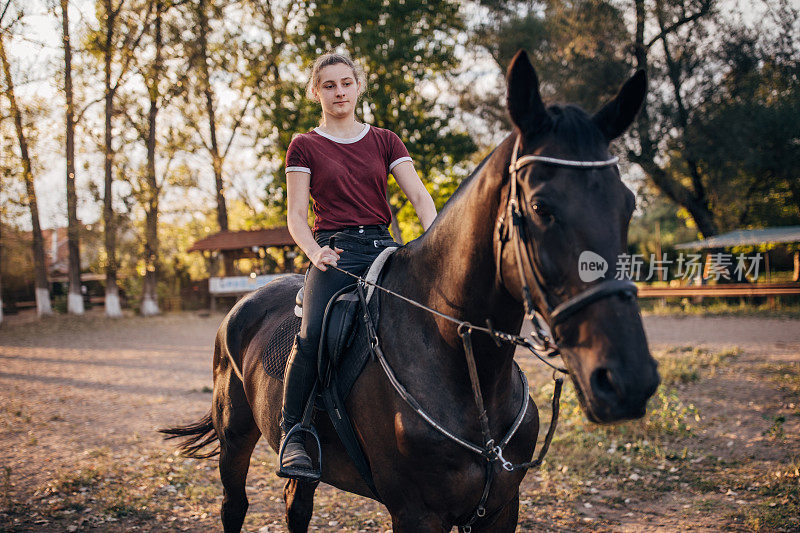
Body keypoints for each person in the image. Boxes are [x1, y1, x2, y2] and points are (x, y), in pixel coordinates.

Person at [280, 52, 438, 479]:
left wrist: (435, 244)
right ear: (317, 92)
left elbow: (421, 200)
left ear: (358, 86)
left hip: (384, 248)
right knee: (312, 335)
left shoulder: (385, 140)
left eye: (346, 83)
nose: (339, 92)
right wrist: (316, 253)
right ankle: (293, 432)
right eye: (329, 85)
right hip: (334, 252)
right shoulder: (304, 145)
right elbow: (296, 217)